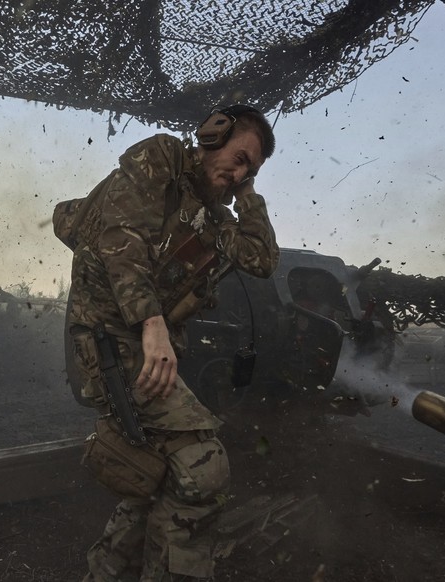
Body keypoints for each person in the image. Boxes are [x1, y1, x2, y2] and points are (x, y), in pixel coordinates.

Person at [65, 105, 279, 582]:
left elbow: (263, 259)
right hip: (107, 342)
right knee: (203, 469)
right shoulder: (160, 157)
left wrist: (246, 191)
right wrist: (152, 322)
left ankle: (104, 572)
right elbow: (121, 240)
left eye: (251, 168)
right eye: (239, 156)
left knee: (158, 475)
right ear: (211, 134)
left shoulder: (214, 221)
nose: (239, 171)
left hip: (143, 349)